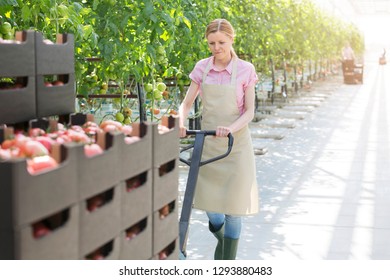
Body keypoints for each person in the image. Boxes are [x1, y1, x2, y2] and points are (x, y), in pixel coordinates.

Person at [178, 19, 259, 260]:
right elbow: (186, 103)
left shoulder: (246, 69)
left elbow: (250, 111)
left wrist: (230, 128)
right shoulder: (202, 68)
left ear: (232, 39)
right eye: (211, 43)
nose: (216, 48)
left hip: (236, 145)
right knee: (213, 211)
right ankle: (224, 244)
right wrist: (180, 121)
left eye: (221, 42)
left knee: (234, 211)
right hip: (210, 145)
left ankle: (226, 262)